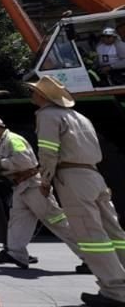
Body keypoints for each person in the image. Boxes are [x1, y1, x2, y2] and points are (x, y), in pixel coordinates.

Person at [30, 75, 125, 307]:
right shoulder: (80, 117)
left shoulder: (46, 116)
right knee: (115, 233)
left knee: (91, 236)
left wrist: (45, 181)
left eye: (34, 91)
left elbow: (49, 152)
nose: (31, 94)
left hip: (72, 178)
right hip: (94, 176)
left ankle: (115, 291)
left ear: (43, 96)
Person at [0, 115, 80, 270]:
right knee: (18, 221)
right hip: (21, 187)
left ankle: (91, 258)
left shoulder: (13, 139)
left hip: (32, 186)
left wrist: (1, 164)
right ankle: (16, 253)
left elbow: (25, 161)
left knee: (57, 222)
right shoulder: (2, 141)